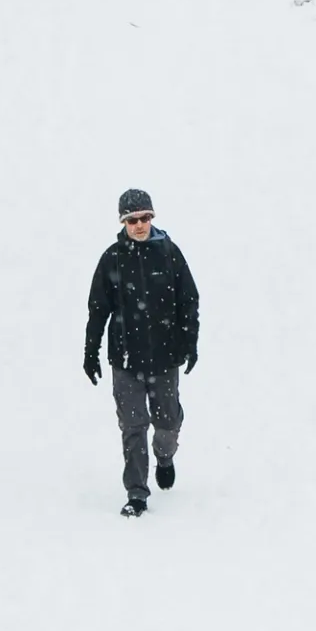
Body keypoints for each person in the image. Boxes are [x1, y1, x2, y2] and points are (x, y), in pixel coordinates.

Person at [83, 187, 201, 517]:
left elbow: (189, 300)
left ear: (152, 218)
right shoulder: (112, 259)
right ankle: (137, 493)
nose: (139, 225)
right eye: (132, 219)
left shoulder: (169, 254)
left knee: (166, 423)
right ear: (122, 222)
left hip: (165, 357)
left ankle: (165, 456)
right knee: (133, 426)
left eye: (145, 218)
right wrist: (90, 351)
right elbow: (97, 309)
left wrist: (190, 342)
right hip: (125, 359)